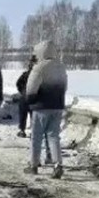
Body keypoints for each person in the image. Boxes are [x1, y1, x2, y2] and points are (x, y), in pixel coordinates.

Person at [25, 41, 68, 178]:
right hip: (57, 105)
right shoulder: (61, 67)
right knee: (54, 136)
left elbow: (31, 88)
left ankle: (33, 165)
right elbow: (65, 87)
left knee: (36, 136)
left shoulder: (39, 67)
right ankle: (58, 165)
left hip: (41, 107)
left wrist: (30, 100)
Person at [16, 55, 37, 137]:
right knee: (33, 116)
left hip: (25, 97)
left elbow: (18, 83)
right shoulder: (37, 74)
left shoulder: (26, 74)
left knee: (24, 114)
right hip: (33, 98)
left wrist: (22, 91)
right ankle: (32, 132)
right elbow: (18, 83)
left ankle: (22, 130)